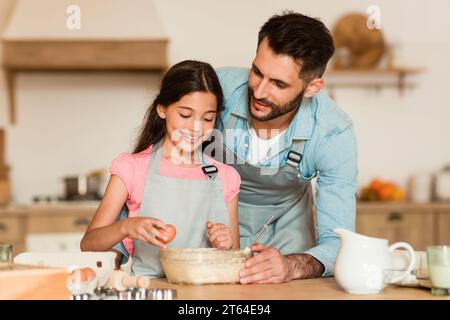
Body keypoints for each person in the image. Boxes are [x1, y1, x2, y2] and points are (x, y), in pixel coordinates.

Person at [206, 11, 358, 283]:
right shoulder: (216, 90)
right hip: (211, 230)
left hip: (286, 239)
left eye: (278, 83)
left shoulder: (332, 133)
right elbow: (149, 165)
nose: (260, 91)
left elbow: (339, 242)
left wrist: (292, 266)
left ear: (312, 87)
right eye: (257, 72)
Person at [80, 60, 241, 277]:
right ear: (162, 109)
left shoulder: (226, 177)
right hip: (150, 291)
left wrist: (226, 243)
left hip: (206, 293)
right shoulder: (132, 168)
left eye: (207, 118)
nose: (196, 128)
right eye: (185, 115)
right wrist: (126, 227)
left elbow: (235, 257)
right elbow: (89, 244)